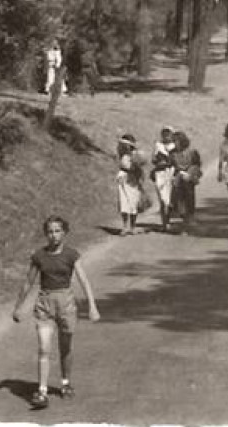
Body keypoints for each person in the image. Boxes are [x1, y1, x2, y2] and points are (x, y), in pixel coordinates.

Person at [12, 215, 100, 410]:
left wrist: (92, 306)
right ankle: (42, 391)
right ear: (46, 234)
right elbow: (28, 282)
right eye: (50, 232)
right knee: (44, 347)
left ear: (64, 233)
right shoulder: (39, 256)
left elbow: (83, 280)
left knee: (65, 346)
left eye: (57, 231)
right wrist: (18, 307)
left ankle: (65, 382)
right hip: (45, 303)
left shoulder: (71, 255)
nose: (53, 235)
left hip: (66, 304)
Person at [170, 130, 201, 227]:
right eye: (174, 141)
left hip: (189, 176)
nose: (175, 143)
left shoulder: (192, 152)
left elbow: (197, 164)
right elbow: (171, 165)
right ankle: (183, 216)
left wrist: (190, 173)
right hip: (178, 177)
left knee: (189, 196)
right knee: (179, 198)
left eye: (176, 141)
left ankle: (190, 216)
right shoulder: (172, 153)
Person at [115, 133, 144, 235]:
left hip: (133, 179)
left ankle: (132, 226)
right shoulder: (122, 155)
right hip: (123, 178)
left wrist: (138, 174)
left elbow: (138, 168)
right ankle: (125, 226)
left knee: (133, 203)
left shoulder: (135, 155)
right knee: (124, 202)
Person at [150, 128, 178, 233]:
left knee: (170, 199)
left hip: (171, 172)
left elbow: (176, 160)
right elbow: (153, 159)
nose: (166, 136)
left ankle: (168, 221)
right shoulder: (158, 145)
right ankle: (164, 223)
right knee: (162, 199)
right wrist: (158, 160)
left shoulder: (175, 146)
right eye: (164, 134)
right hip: (160, 173)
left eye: (168, 134)